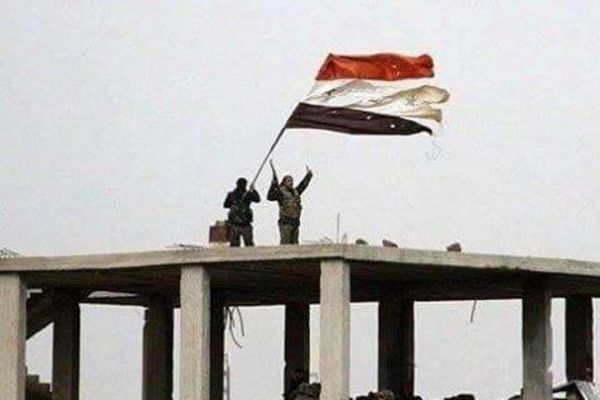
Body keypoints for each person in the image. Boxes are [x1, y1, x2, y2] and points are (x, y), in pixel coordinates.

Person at [267, 160, 313, 244]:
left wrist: (308, 176)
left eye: (292, 181)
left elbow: (302, 185)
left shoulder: (295, 192)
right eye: (289, 181)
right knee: (285, 244)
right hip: (285, 223)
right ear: (284, 182)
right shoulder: (280, 193)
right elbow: (269, 197)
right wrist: (273, 185)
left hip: (295, 222)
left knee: (295, 245)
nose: (291, 182)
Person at [223, 177, 260, 247]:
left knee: (237, 245)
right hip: (241, 223)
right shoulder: (247, 194)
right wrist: (253, 190)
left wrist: (234, 205)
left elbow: (226, 205)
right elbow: (257, 199)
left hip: (238, 223)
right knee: (247, 245)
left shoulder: (232, 194)